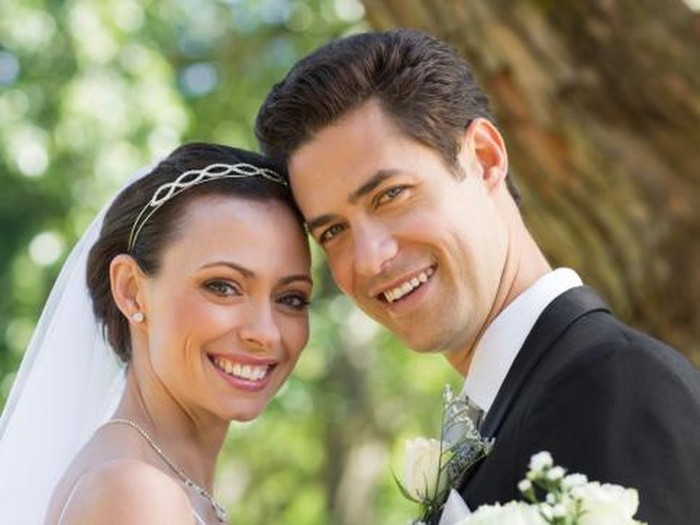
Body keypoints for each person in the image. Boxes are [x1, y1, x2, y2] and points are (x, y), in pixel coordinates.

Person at [255, 29, 700, 524]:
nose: (368, 259)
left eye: (390, 195)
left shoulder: (617, 385)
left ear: (485, 158)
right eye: (333, 230)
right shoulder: (502, 415)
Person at [0, 143, 313, 524]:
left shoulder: (160, 481)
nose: (265, 333)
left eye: (291, 298)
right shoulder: (136, 493)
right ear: (131, 290)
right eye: (222, 287)